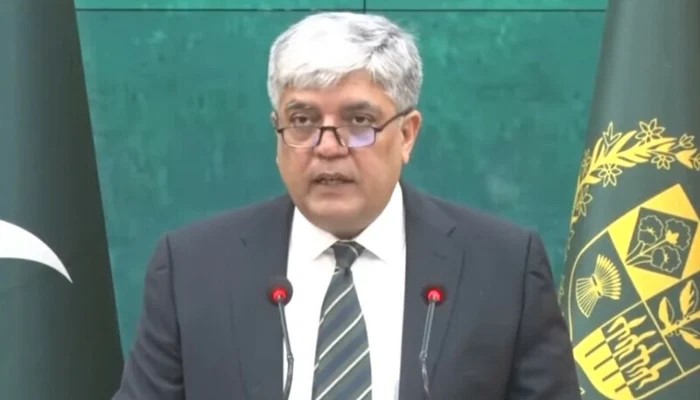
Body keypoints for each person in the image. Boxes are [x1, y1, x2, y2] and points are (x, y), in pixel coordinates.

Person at [112, 11, 580, 400]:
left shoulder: (503, 268)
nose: (328, 146)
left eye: (359, 121)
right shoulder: (192, 269)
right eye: (303, 120)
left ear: (407, 135)